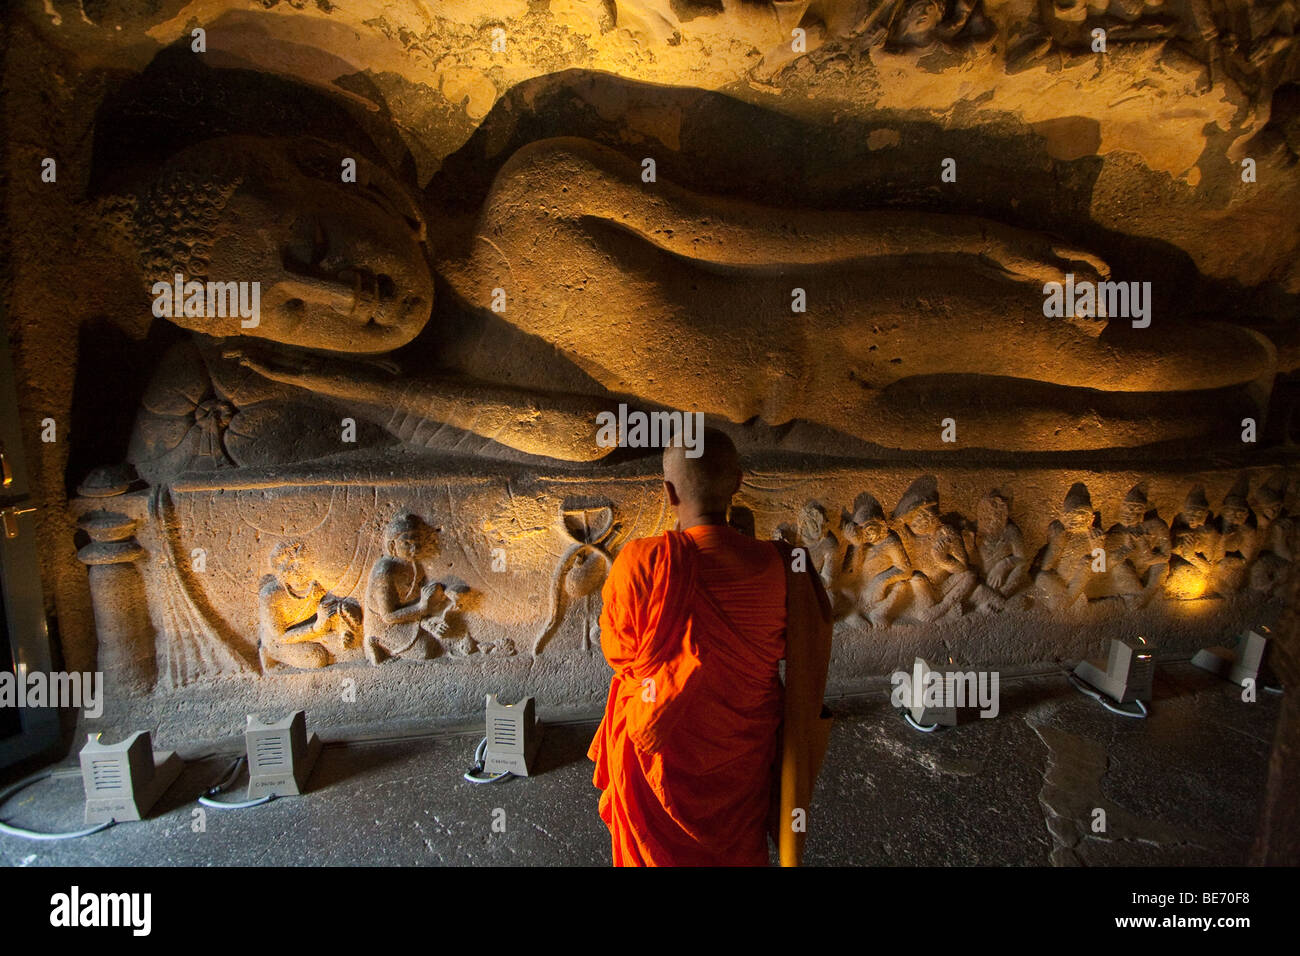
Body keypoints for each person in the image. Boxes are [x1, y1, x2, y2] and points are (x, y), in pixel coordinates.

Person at [587, 427, 833, 866]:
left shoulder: (641, 562)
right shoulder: (783, 566)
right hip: (741, 755)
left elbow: (617, 653)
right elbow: (808, 655)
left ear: (668, 492)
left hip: (661, 756)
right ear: (738, 483)